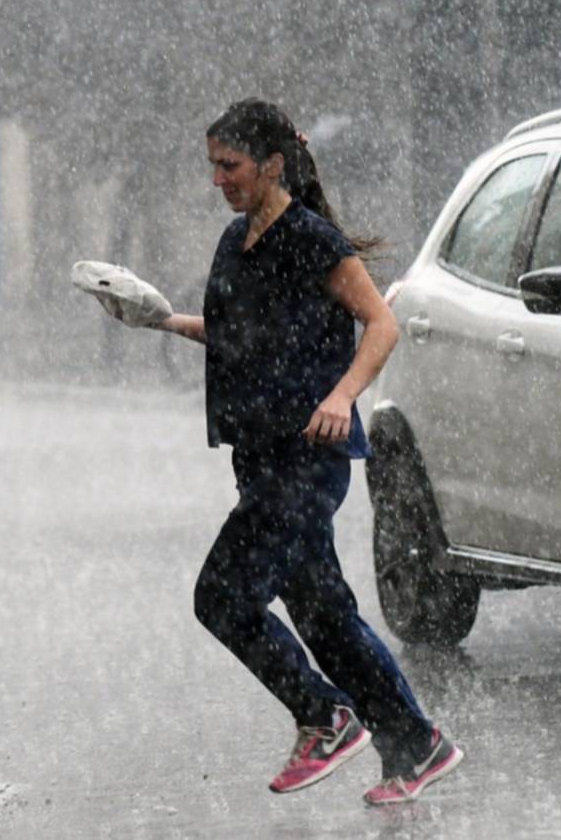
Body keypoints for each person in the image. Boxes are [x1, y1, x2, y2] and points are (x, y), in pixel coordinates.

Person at [143, 98, 463, 805]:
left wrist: (344, 394)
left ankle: (323, 716)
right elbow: (236, 333)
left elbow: (381, 324)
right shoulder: (235, 241)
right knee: (324, 615)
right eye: (212, 166)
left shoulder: (313, 239)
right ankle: (416, 742)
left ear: (273, 164)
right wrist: (160, 318)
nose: (218, 179)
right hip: (259, 456)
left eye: (229, 165)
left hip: (304, 461)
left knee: (222, 597)